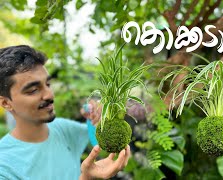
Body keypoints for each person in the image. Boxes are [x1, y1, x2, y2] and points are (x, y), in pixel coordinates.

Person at [0, 45, 130, 180]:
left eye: (48, 84)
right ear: (5, 103)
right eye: (33, 90)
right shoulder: (4, 167)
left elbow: (99, 140)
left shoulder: (62, 129)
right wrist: (87, 177)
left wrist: (95, 115)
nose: (49, 95)